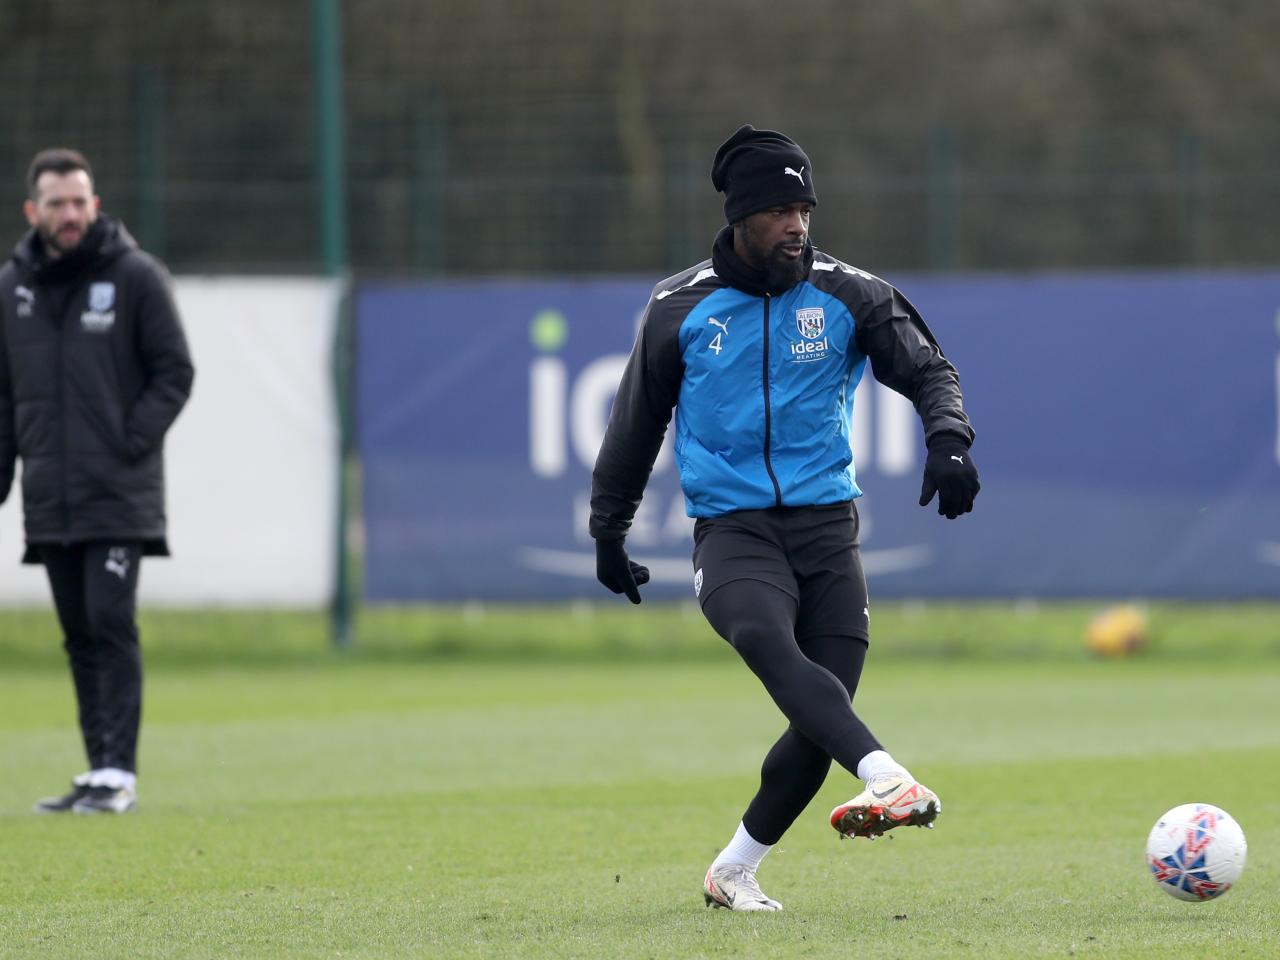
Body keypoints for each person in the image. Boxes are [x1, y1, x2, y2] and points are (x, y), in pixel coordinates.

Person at [590, 125, 980, 911]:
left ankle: (732, 871)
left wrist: (949, 440)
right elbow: (634, 425)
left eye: (804, 207)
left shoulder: (850, 293)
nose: (797, 224)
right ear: (740, 217)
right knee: (767, 640)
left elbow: (930, 368)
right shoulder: (679, 307)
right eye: (778, 210)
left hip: (829, 531)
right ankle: (887, 776)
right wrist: (609, 528)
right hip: (734, 531)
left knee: (820, 712)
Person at [0, 148, 194, 815]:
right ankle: (97, 770)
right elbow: (4, 396)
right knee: (79, 632)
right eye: (57, 202)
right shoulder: (12, 287)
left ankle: (120, 773)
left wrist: (127, 441)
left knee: (111, 622)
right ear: (35, 211)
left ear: (96, 202)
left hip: (118, 493)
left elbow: (175, 372)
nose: (71, 213)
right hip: (51, 498)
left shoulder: (137, 276)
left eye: (80, 200)